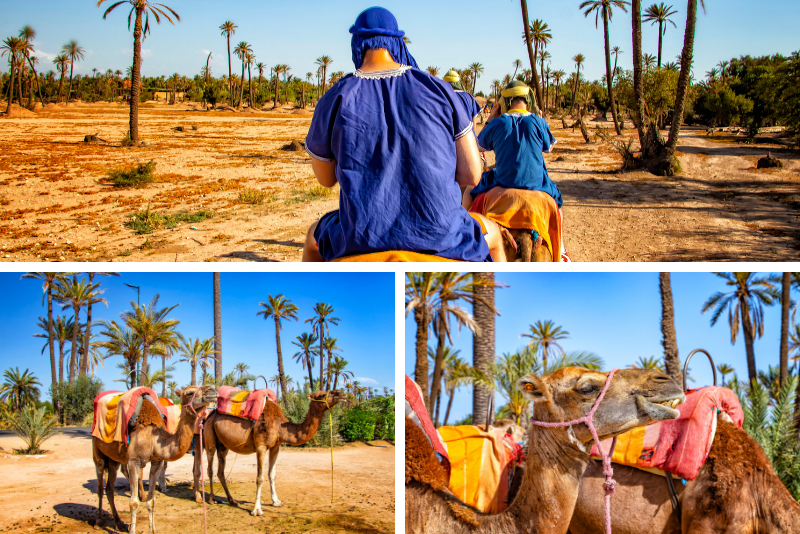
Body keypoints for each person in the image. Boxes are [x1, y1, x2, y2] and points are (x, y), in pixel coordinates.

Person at [301, 7, 506, 262]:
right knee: (494, 237)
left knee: (312, 238)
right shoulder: (439, 90)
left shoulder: (335, 96)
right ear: (396, 43)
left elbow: (326, 179)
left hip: (360, 237)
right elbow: (473, 175)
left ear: (357, 44)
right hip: (444, 237)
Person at [463, 80, 569, 261]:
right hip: (537, 183)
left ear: (505, 102)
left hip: (503, 181)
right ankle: (560, 251)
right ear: (528, 100)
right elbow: (548, 148)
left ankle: (462, 233)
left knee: (470, 191)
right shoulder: (538, 121)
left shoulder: (498, 123)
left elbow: (479, 146)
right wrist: (540, 119)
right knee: (556, 207)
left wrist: (491, 119)